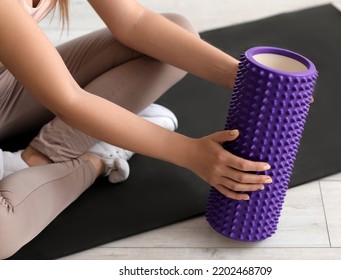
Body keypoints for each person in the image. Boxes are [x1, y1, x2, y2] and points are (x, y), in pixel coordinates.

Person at [0, 0, 273, 259]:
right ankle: (96, 158)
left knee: (174, 36)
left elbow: (133, 22)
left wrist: (243, 78)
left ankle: (40, 158)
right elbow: (69, 100)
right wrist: (190, 153)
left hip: (7, 85)